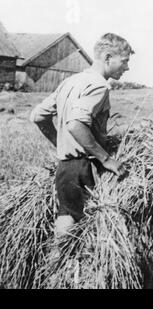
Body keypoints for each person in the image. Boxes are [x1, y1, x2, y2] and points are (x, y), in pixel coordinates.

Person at [30, 33, 134, 237]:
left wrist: (61, 144)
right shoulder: (99, 86)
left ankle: (64, 263)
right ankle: (58, 262)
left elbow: (37, 116)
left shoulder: (71, 81)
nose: (127, 67)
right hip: (82, 165)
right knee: (71, 218)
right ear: (107, 57)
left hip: (67, 166)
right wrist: (107, 160)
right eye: (124, 61)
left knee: (71, 213)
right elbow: (76, 124)